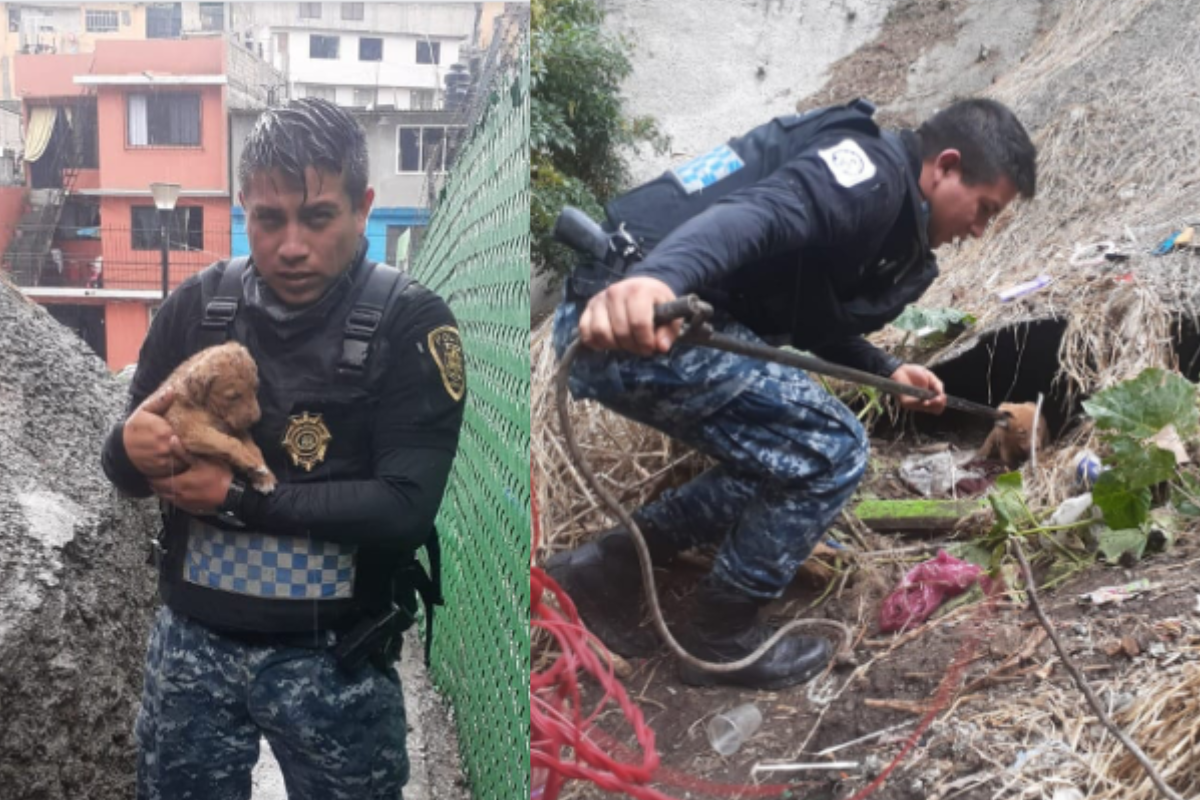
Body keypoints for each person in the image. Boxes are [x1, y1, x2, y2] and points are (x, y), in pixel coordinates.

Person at [548, 98, 1036, 690]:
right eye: (984, 209)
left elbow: (810, 319)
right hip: (630, 318)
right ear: (946, 167)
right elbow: (763, 213)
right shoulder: (869, 171)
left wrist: (887, 369)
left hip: (656, 315)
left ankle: (609, 568)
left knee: (786, 458)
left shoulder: (883, 209)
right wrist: (658, 280)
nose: (979, 230)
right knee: (833, 449)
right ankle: (718, 635)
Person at [101, 98, 466, 799]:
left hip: (335, 659)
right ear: (245, 208)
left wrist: (238, 499)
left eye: (318, 216)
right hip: (194, 652)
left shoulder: (410, 323)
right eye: (269, 219)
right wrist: (130, 447)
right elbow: (121, 471)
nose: (291, 245)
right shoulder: (195, 308)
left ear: (362, 207)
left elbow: (404, 510)